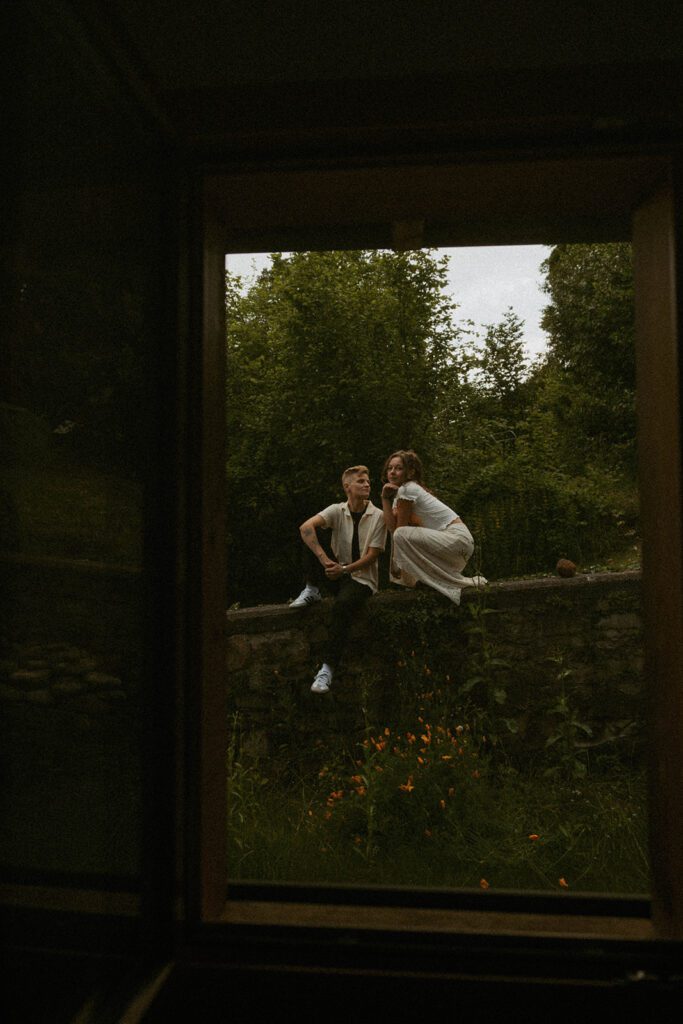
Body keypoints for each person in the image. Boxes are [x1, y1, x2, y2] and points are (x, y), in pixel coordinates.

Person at [290, 465, 387, 693]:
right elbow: (305, 527)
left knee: (342, 606)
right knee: (310, 535)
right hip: (336, 572)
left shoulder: (379, 516)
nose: (367, 484)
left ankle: (327, 670)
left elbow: (372, 556)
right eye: (361, 481)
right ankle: (312, 588)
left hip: (361, 579)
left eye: (368, 481)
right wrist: (325, 562)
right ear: (347, 487)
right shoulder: (337, 510)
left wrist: (343, 570)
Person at [380, 449, 486, 604]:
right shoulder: (401, 494)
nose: (393, 472)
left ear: (410, 472)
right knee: (400, 535)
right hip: (453, 543)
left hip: (457, 539)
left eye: (398, 468)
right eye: (390, 468)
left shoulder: (408, 489)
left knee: (401, 534)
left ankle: (425, 581)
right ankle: (424, 582)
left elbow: (398, 531)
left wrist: (396, 564)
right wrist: (384, 498)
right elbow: (391, 527)